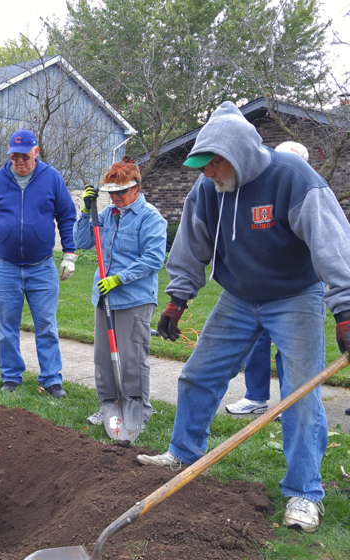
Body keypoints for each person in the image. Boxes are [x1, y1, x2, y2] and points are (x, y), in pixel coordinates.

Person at [138, 101, 350, 534]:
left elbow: (332, 244)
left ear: (237, 156)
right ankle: (183, 453)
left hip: (294, 297)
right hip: (237, 297)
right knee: (198, 374)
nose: (206, 173)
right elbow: (190, 246)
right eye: (202, 165)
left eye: (213, 164)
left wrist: (346, 310)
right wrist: (177, 299)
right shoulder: (207, 191)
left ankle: (304, 494)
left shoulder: (292, 179)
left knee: (301, 394)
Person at [0, 129, 77, 398]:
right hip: (5, 267)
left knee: (47, 326)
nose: (20, 161)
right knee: (7, 327)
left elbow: (66, 216)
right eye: (15, 156)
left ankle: (52, 378)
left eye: (25, 156)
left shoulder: (52, 178)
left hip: (42, 267)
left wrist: (70, 254)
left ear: (36, 152)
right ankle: (11, 377)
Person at [73, 156, 166, 428]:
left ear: (136, 188)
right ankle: (109, 407)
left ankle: (138, 412)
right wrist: (85, 211)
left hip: (134, 299)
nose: (116, 198)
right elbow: (82, 242)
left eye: (121, 192)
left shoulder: (151, 219)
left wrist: (119, 279)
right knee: (103, 358)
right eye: (111, 193)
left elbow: (153, 259)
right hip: (105, 298)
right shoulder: (106, 215)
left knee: (131, 359)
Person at [225, 142, 306, 415]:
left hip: (292, 292)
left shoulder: (305, 192)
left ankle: (288, 403)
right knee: (256, 345)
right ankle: (256, 397)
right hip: (255, 288)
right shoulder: (257, 190)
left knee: (289, 351)